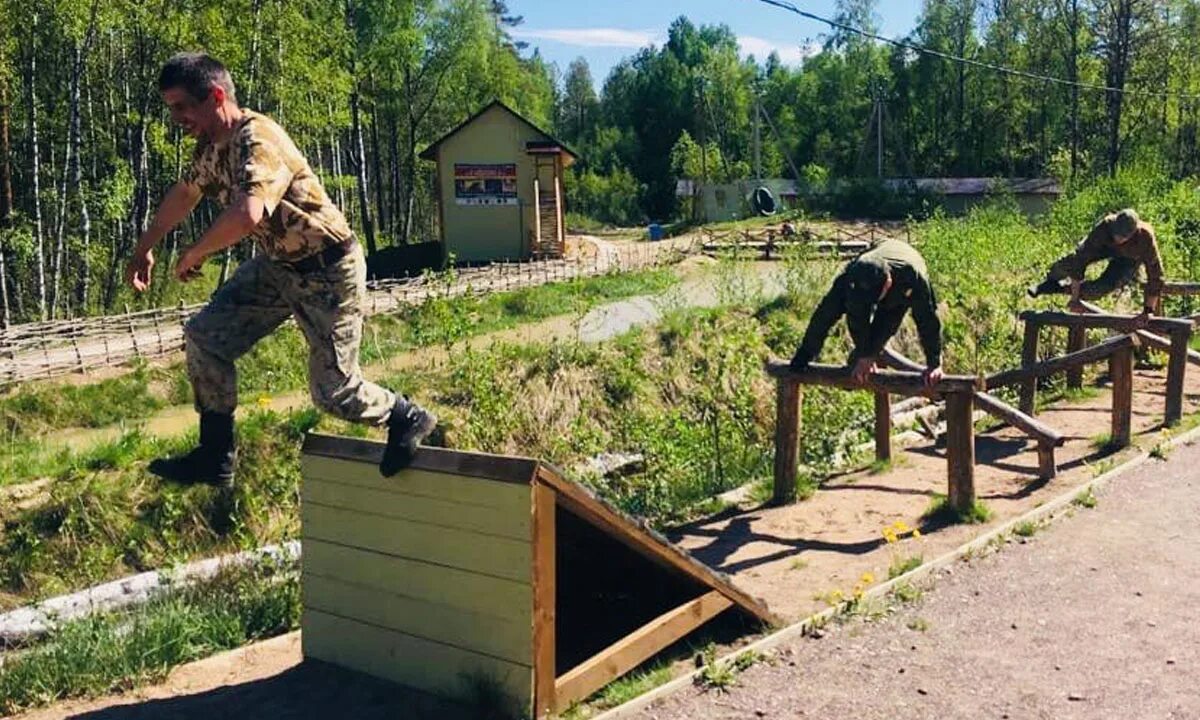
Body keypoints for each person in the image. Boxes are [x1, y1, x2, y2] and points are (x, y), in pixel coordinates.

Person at [125, 52, 435, 487]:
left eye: (181, 106)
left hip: (328, 269)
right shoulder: (213, 147)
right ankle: (216, 455)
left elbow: (248, 213)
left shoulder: (260, 139)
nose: (176, 118)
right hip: (278, 267)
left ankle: (408, 416)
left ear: (215, 96)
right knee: (205, 337)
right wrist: (143, 248)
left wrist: (196, 252)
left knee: (334, 393)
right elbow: (185, 192)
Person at [789, 239, 944, 387]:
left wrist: (934, 363)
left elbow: (927, 321)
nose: (871, 303)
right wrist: (804, 355)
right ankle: (805, 355)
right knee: (829, 310)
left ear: (888, 283)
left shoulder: (913, 279)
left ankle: (864, 357)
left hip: (904, 274)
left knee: (883, 327)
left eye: (875, 297)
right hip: (874, 254)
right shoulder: (853, 274)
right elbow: (829, 315)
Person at [1027, 208, 1163, 326]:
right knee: (1071, 261)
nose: (1117, 238)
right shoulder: (1106, 226)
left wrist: (1148, 311)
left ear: (1133, 233)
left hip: (1129, 259)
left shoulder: (1145, 237)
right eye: (1116, 233)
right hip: (1105, 247)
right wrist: (1074, 299)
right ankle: (1048, 282)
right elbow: (1081, 258)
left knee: (1101, 289)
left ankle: (1057, 289)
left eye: (1122, 237)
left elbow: (1155, 274)